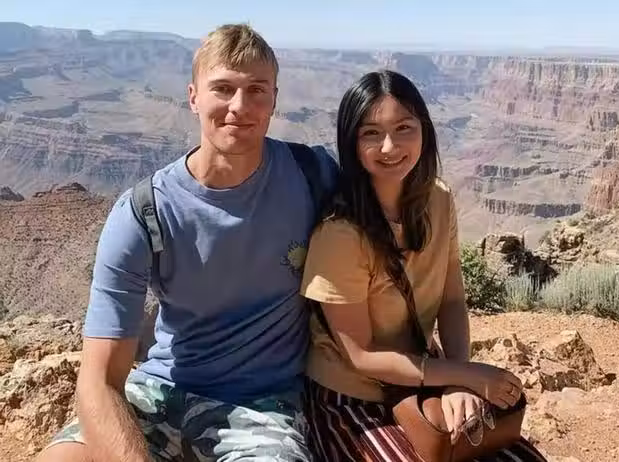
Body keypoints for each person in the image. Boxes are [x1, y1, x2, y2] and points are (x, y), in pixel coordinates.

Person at [36, 24, 337, 462]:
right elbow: (98, 380)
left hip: (262, 409)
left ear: (274, 99)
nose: (240, 106)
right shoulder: (143, 212)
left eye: (256, 90)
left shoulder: (313, 175)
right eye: (223, 88)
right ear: (193, 97)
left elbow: (395, 215)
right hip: (159, 391)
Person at [299, 70, 548, 461]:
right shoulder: (340, 235)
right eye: (371, 133)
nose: (389, 146)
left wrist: (458, 383)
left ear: (424, 130)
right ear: (351, 143)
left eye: (404, 128)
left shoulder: (439, 200)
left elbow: (451, 301)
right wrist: (464, 375)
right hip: (351, 399)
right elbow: (361, 356)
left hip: (425, 382)